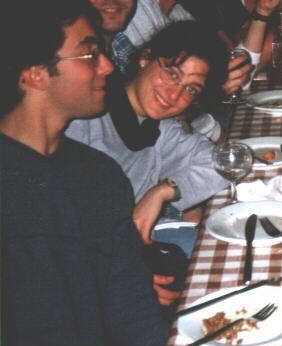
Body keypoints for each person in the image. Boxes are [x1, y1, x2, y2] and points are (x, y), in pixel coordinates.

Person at [0, 0, 169, 346]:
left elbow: (130, 308)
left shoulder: (98, 175)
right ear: (35, 73)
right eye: (90, 54)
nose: (108, 66)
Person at [66, 21, 229, 254]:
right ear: (145, 59)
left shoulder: (161, 128)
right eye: (172, 73)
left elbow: (222, 162)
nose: (174, 94)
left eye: (190, 89)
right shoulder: (88, 119)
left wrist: (162, 191)